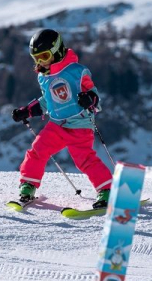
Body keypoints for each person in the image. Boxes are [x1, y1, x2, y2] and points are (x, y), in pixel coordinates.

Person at [11, 29, 112, 208]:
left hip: (79, 124)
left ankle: (107, 190)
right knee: (37, 150)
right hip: (57, 125)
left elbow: (94, 95)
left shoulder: (77, 71)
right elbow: (47, 102)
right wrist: (26, 111)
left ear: (57, 51)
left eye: (43, 56)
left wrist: (90, 99)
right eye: (36, 58)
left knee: (85, 159)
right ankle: (28, 185)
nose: (40, 62)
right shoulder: (44, 77)